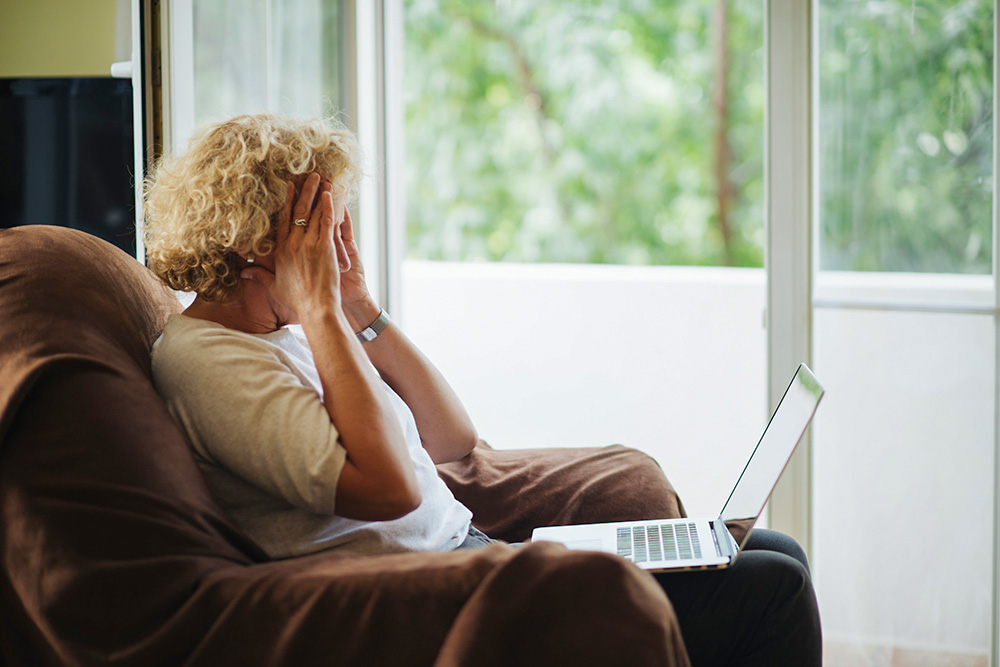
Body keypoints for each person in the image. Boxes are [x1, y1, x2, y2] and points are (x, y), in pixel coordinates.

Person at [144, 113, 821, 666]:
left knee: (775, 553)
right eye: (323, 232)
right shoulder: (211, 363)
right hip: (441, 599)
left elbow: (452, 440)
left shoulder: (282, 327)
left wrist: (356, 305)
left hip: (478, 552)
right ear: (261, 241)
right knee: (775, 590)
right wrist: (320, 309)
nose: (339, 250)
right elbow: (390, 488)